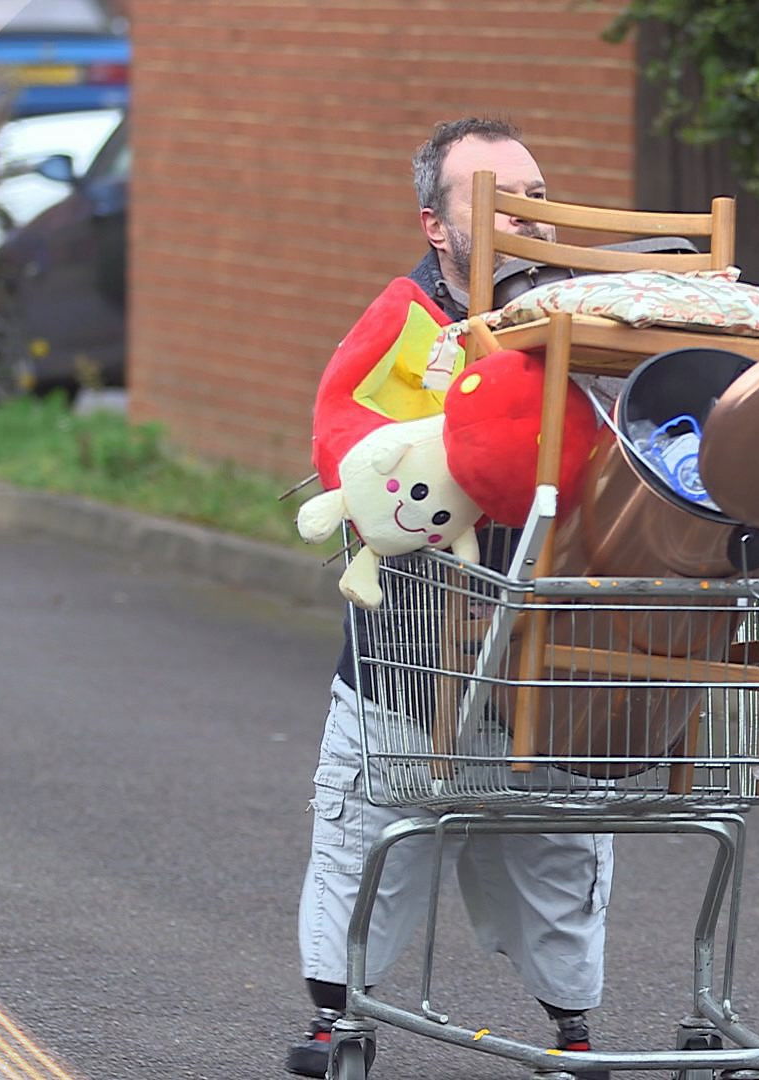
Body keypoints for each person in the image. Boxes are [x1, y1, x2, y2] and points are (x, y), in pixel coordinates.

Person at [288, 117, 613, 1080]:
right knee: (373, 836)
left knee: (556, 857)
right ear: (437, 225)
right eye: (493, 198)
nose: (523, 215)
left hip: (551, 654)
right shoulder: (408, 321)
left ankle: (575, 1024)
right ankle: (334, 1015)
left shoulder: (590, 316)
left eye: (535, 193)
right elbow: (347, 440)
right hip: (414, 648)